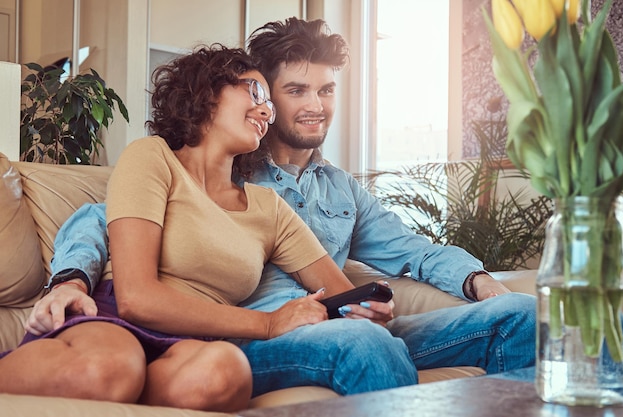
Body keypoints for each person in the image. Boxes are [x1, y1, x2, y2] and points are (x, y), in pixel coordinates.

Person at [25, 18, 536, 396]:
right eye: (291, 90)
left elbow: (403, 256)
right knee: (364, 344)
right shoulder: (179, 162)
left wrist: (469, 283)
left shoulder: (321, 194)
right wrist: (71, 277)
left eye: (327, 89)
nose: (313, 104)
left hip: (325, 325)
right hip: (247, 330)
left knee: (521, 314)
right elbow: (97, 223)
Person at [5, 42, 417, 404]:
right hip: (119, 320)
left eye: (270, 105)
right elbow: (137, 297)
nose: (265, 110)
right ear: (206, 93)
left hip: (197, 341)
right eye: (255, 91)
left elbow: (346, 294)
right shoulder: (153, 158)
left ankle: (127, 391)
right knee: (112, 368)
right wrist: (269, 322)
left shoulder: (268, 207)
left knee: (225, 371)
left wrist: (369, 309)